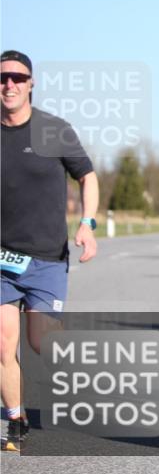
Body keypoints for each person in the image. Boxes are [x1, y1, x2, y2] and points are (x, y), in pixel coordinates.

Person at [1, 50, 99, 452]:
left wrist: (87, 224)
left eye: (18, 78)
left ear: (31, 83)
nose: (9, 85)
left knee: (43, 342)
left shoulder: (54, 130)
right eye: (2, 78)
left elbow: (87, 176)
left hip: (46, 258)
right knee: (3, 342)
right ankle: (16, 419)